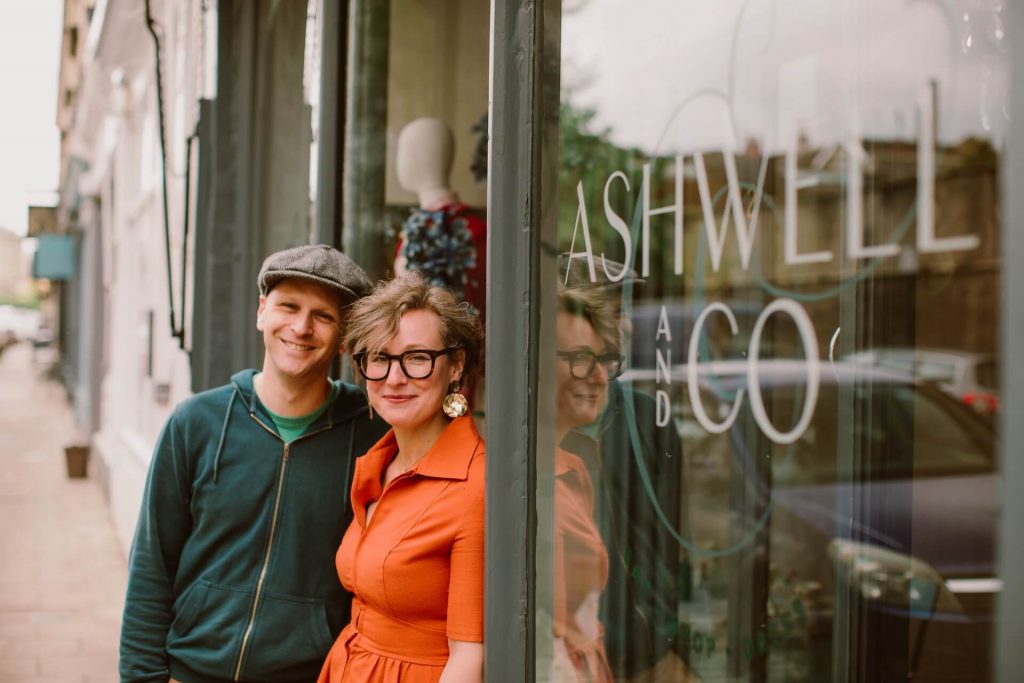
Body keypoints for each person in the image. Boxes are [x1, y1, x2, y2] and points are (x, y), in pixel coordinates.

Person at [119, 244, 390, 683]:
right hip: (192, 671)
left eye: (323, 315)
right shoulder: (196, 423)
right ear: (262, 311)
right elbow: (152, 564)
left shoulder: (372, 434)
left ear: (343, 337)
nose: (301, 327)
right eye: (289, 306)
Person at [318, 272, 485, 683]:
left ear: (455, 365)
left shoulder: (474, 486)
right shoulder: (378, 464)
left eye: (416, 357)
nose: (394, 378)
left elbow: (469, 657)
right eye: (379, 357)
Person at [551, 284, 619, 682]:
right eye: (578, 358)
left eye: (602, 360)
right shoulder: (497, 475)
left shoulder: (573, 470)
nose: (598, 375)